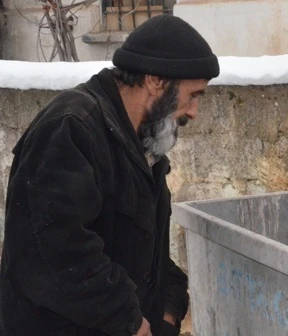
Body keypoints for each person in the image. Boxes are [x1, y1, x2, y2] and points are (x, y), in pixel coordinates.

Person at [0, 14, 219, 336]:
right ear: (156, 81)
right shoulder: (70, 127)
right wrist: (128, 320)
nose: (193, 113)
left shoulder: (141, 141)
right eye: (194, 95)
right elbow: (57, 250)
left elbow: (144, 247)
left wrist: (169, 308)